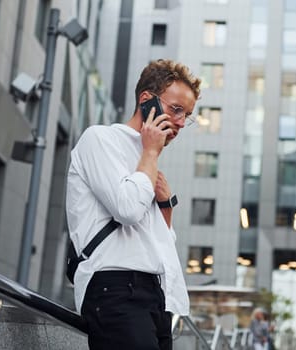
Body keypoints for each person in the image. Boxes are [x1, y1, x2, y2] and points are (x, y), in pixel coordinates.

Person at [66, 59, 201, 350]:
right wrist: (151, 152)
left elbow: (155, 244)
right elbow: (127, 210)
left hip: (153, 295)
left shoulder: (147, 162)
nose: (179, 122)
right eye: (175, 109)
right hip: (114, 287)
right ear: (146, 101)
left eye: (186, 115)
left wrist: (166, 209)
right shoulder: (100, 139)